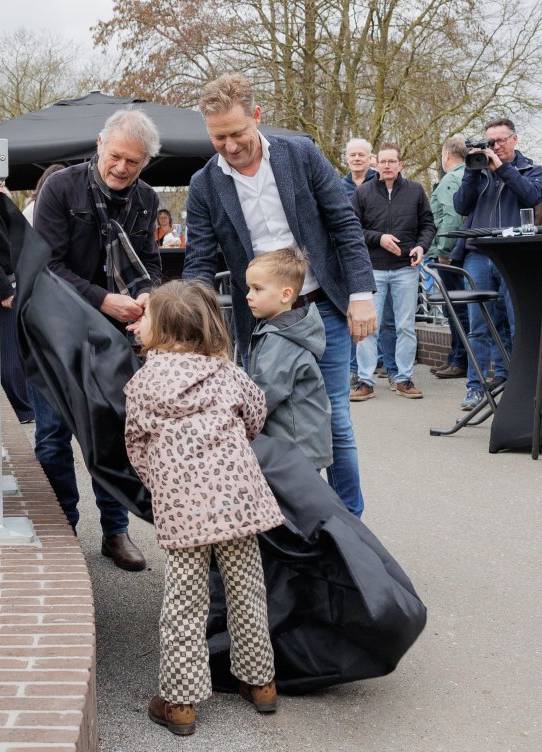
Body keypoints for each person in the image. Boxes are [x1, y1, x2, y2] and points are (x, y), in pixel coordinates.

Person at [183, 72, 376, 518]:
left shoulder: (300, 154)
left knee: (335, 418)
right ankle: (296, 521)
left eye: (237, 133)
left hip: (321, 308)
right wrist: (191, 327)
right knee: (269, 421)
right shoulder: (204, 184)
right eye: (218, 138)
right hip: (261, 325)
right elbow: (199, 262)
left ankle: (350, 523)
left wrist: (361, 293)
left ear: (256, 115)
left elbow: (344, 223)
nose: (230, 146)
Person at [124, 280, 283, 737]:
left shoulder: (144, 384)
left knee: (184, 603)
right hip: (238, 503)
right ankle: (261, 683)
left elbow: (136, 445)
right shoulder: (228, 373)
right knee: (247, 592)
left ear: (161, 328)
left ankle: (180, 703)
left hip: (184, 510)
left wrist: (162, 483)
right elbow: (256, 415)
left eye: (146, 317)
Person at [31, 108, 163, 570]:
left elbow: (150, 260)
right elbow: (46, 266)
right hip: (54, 329)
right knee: (53, 436)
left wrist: (147, 294)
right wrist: (103, 299)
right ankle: (63, 530)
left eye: (134, 162)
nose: (122, 168)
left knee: (117, 433)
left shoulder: (147, 199)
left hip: (115, 336)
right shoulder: (60, 188)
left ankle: (115, 531)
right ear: (99, 144)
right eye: (116, 156)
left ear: (145, 163)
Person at [453, 117, 542, 411]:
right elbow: (460, 205)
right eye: (490, 141)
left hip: (513, 255)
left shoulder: (531, 170)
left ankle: (519, 386)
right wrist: (471, 171)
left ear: (514, 139)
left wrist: (502, 168)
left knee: (517, 323)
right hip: (478, 253)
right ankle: (476, 387)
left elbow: (532, 196)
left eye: (500, 140)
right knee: (479, 325)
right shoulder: (476, 171)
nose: (494, 146)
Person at [350, 143, 435, 400]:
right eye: (383, 161)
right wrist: (379, 238)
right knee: (368, 327)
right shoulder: (363, 192)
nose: (387, 166)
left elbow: (428, 225)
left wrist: (421, 246)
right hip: (373, 269)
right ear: (375, 164)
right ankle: (365, 381)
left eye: (392, 161)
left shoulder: (415, 191)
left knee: (405, 326)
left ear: (400, 164)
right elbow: (352, 229)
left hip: (405, 269)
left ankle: (404, 379)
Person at [244, 249, 332, 469]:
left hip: (296, 447)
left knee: (296, 493)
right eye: (249, 288)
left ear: (285, 295)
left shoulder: (282, 339)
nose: (249, 295)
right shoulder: (278, 330)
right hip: (296, 444)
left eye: (257, 289)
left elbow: (266, 392)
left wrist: (237, 419)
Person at [341, 137, 394, 388]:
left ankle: (388, 366)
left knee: (386, 318)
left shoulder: (383, 184)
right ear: (347, 158)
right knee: (352, 315)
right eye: (352, 155)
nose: (357, 159)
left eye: (361, 154)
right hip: (349, 259)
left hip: (380, 257)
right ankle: (354, 369)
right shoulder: (338, 186)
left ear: (369, 158)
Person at [427, 135, 469, 379]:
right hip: (463, 251)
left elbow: (451, 216)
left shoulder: (451, 179)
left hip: (449, 255)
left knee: (455, 308)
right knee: (458, 307)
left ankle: (460, 360)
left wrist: (444, 250)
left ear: (447, 156)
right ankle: (455, 356)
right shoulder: (469, 176)